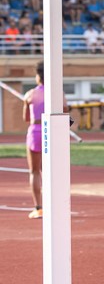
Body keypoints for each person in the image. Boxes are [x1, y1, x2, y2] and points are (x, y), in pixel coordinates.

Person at [23, 62, 46, 219]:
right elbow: (66, 112)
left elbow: (26, 118)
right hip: (51, 131)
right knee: (50, 171)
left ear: (38, 76)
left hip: (35, 131)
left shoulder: (30, 94)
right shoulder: (58, 94)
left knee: (34, 171)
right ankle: (54, 205)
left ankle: (38, 208)